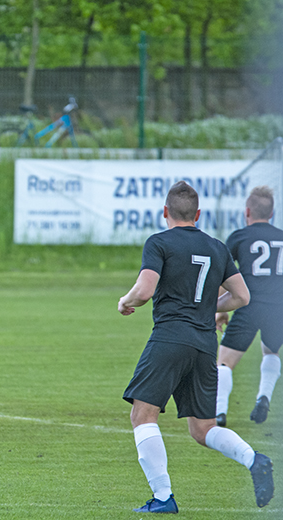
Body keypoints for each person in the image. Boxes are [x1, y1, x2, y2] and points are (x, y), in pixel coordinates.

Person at [118, 181, 274, 513]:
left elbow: (144, 291)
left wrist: (125, 301)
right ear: (198, 214)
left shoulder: (159, 242)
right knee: (203, 429)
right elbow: (242, 296)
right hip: (205, 343)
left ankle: (163, 498)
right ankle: (254, 459)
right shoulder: (217, 246)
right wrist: (211, 309)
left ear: (165, 212)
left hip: (170, 337)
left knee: (142, 415)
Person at [215, 186, 282, 427]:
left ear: (247, 211)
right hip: (278, 309)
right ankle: (263, 396)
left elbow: (224, 276)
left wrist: (220, 309)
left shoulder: (239, 237)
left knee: (224, 362)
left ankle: (219, 411)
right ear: (272, 213)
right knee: (271, 352)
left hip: (249, 306)